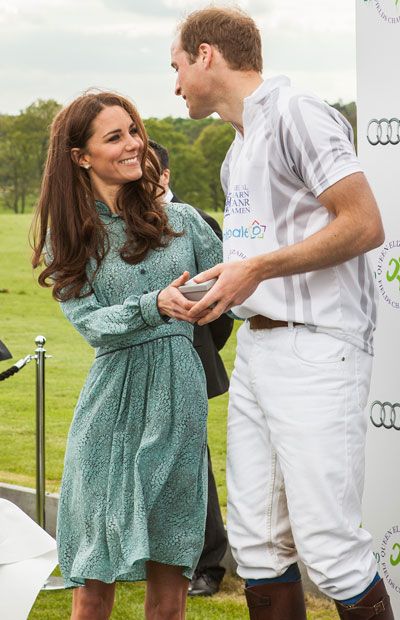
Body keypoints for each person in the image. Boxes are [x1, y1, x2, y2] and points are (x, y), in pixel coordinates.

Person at [170, 7, 394, 620]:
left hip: (319, 347)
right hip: (259, 351)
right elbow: (254, 259)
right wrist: (215, 285)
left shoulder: (296, 111)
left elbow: (365, 223)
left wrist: (257, 270)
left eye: (178, 66)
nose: (176, 84)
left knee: (329, 546)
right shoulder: (234, 152)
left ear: (207, 54)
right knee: (257, 544)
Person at [31, 91, 223, 620]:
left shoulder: (183, 222)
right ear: (81, 156)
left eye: (133, 131)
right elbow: (92, 325)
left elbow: (239, 296)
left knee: (172, 570)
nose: (134, 144)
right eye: (114, 136)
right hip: (109, 407)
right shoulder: (69, 236)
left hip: (179, 400)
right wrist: (153, 305)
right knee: (93, 578)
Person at [149, 139, 232, 596]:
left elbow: (221, 308)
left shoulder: (197, 221)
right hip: (138, 364)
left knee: (191, 463)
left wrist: (198, 353)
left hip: (190, 361)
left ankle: (208, 564)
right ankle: (162, 556)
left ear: (164, 176)